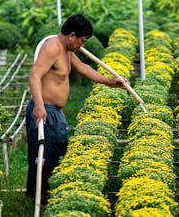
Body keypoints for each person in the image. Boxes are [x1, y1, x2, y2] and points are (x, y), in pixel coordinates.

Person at [25, 13, 126, 204]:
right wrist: (38, 106)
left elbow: (84, 69)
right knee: (43, 156)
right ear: (72, 35)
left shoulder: (67, 51)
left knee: (56, 151)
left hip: (55, 112)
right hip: (44, 111)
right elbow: (34, 75)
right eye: (82, 40)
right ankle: (38, 198)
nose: (83, 45)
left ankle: (47, 194)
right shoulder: (52, 47)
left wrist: (111, 82)